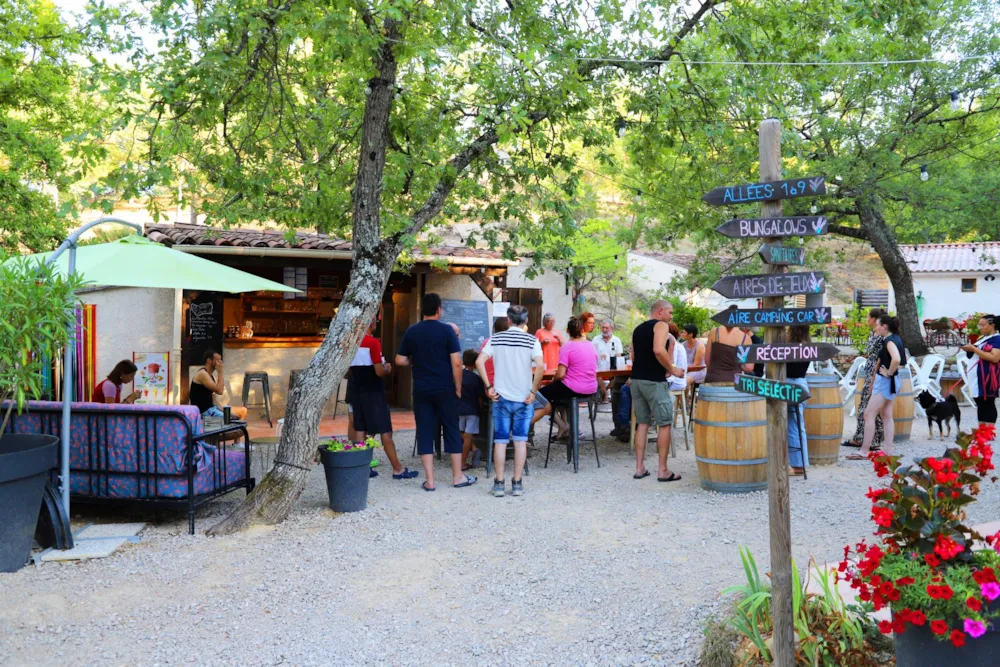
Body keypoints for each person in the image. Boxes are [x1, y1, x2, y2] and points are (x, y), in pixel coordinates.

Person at [395, 293, 476, 491]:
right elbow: (456, 362)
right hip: (445, 388)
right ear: (439, 310)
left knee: (424, 430)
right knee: (451, 428)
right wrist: (458, 387)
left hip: (422, 389)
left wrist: (414, 361)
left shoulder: (412, 331)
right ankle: (457, 477)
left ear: (422, 310)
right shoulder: (447, 331)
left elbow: (399, 360)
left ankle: (430, 481)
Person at [476, 305, 544, 498]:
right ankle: (517, 484)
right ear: (526, 321)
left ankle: (499, 483)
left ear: (509, 320)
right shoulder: (532, 340)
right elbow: (541, 366)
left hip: (501, 397)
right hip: (524, 397)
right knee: (521, 440)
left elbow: (479, 361)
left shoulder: (496, 338)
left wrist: (489, 386)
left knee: (500, 441)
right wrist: (533, 391)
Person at [349, 321, 418, 480]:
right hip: (374, 392)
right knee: (386, 431)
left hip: (357, 391)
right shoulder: (372, 343)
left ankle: (362, 468)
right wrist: (387, 368)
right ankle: (398, 469)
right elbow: (379, 371)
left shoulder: (351, 342)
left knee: (361, 430)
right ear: (370, 323)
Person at [629, 300, 685, 482]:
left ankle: (639, 468)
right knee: (665, 423)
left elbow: (633, 356)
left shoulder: (638, 329)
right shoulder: (661, 326)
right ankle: (663, 470)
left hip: (637, 380)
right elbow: (658, 350)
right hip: (654, 381)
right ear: (661, 311)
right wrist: (673, 370)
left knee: (642, 423)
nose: (671, 317)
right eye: (670, 313)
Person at [850, 315, 905, 460]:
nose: (876, 328)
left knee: (869, 414)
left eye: (878, 325)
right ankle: (887, 451)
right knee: (887, 415)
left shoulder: (889, 341)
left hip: (886, 381)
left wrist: (888, 372)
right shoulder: (896, 338)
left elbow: (897, 359)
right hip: (892, 381)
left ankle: (864, 451)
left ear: (884, 327)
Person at [540, 316, 599, 441]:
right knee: (558, 392)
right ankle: (565, 427)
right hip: (591, 388)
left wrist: (553, 379)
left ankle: (562, 424)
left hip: (574, 388)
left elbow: (560, 374)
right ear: (582, 330)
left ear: (567, 331)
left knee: (539, 395)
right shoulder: (591, 345)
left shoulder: (567, 346)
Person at [843, 308, 886, 449]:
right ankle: (868, 439)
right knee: (865, 406)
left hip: (875, 374)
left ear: (874, 319)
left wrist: (874, 377)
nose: (866, 319)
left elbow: (880, 357)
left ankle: (867, 440)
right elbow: (871, 353)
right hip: (869, 372)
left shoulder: (881, 336)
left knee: (866, 407)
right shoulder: (873, 333)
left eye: (868, 317)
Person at [957, 314, 1000, 426]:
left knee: (987, 402)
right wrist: (967, 348)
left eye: (982, 325)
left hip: (988, 376)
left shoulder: (997, 339)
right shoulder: (982, 338)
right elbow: (974, 354)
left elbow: (994, 358)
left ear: (992, 325)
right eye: (979, 325)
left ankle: (989, 431)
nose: (979, 328)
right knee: (980, 403)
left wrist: (974, 349)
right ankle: (981, 429)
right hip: (976, 376)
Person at [786, 326, 811, 475]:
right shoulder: (808, 345)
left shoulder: (790, 347)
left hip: (790, 385)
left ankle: (798, 465)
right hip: (802, 384)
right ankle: (798, 463)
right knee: (797, 424)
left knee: (794, 425)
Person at [459, 349, 486, 470]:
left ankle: (474, 449)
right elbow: (480, 397)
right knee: (468, 437)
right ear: (476, 363)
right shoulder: (476, 379)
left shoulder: (457, 375)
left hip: (459, 409)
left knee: (461, 433)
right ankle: (462, 462)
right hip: (472, 411)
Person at [593, 320, 623, 402]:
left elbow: (619, 355)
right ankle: (605, 393)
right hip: (599, 367)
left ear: (612, 329)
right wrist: (599, 356)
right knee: (595, 374)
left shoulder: (616, 340)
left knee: (619, 376)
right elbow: (592, 354)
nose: (604, 330)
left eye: (606, 328)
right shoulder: (596, 339)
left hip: (612, 367)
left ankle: (605, 390)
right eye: (603, 328)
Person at [190, 350, 226, 417]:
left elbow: (214, 401)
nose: (220, 362)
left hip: (212, 409)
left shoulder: (210, 376)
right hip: (204, 412)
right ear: (209, 360)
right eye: (217, 360)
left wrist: (227, 412)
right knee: (227, 419)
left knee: (241, 411)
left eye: (220, 360)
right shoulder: (202, 374)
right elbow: (220, 391)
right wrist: (220, 372)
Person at [481, 316, 509, 388]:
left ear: (494, 329)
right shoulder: (510, 343)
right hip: (505, 384)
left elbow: (480, 362)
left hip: (488, 383)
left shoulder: (486, 342)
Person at [667, 323, 688, 392]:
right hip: (678, 379)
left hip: (675, 381)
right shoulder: (678, 344)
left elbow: (672, 364)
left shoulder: (673, 344)